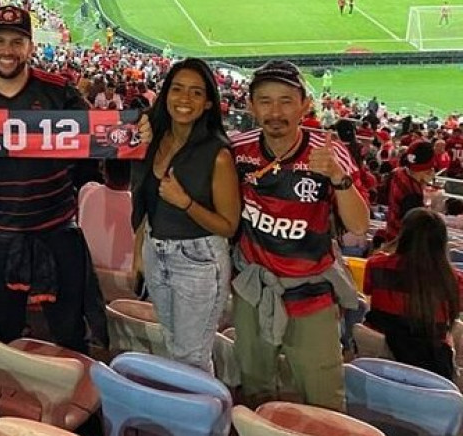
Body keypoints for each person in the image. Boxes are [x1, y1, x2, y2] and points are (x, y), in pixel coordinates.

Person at [0, 4, 103, 352]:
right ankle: (5, 397)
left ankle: (76, 398)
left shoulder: (59, 92)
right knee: (3, 330)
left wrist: (135, 130)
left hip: (57, 229)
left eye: (17, 42)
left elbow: (99, 142)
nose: (7, 50)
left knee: (70, 330)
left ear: (30, 47)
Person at [231, 60, 369, 411]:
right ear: (250, 105)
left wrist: (338, 177)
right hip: (254, 289)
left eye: (286, 101)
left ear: (304, 105)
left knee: (324, 399)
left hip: (311, 293)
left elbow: (359, 225)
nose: (275, 112)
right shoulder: (237, 150)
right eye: (265, 101)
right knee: (255, 387)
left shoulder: (328, 154)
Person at [131, 58, 240, 372]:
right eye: (177, 89)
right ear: (165, 94)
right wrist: (139, 250)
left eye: (195, 93)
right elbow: (145, 201)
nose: (184, 99)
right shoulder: (154, 137)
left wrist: (186, 203)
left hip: (199, 261)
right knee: (172, 344)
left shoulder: (217, 154)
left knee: (191, 358)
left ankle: (202, 419)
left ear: (208, 103)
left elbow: (229, 225)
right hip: (156, 252)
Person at [364, 208, 463, 379]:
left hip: (376, 363)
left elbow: (367, 293)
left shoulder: (375, 265)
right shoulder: (454, 281)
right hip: (432, 369)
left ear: (403, 234)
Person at [379, 140, 435, 245]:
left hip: (390, 232)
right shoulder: (413, 194)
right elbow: (412, 230)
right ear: (428, 167)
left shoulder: (397, 172)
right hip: (400, 244)